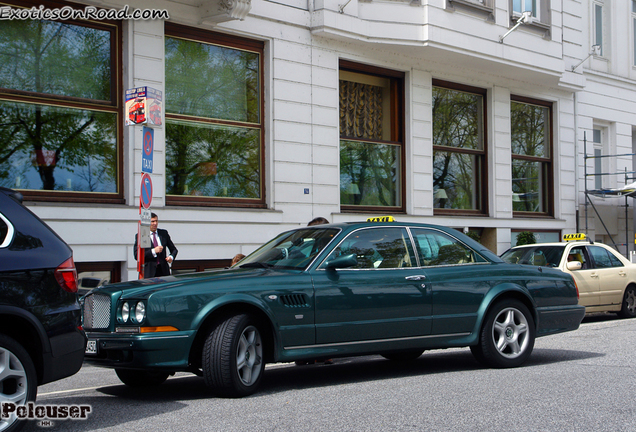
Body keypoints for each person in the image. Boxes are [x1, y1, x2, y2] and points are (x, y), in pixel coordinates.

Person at [134, 213, 178, 278]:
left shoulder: (163, 233)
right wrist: (153, 251)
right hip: (149, 272)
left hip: (163, 271)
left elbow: (174, 249)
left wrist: (171, 257)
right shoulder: (142, 236)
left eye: (156, 221)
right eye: (152, 221)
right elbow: (137, 255)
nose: (155, 223)